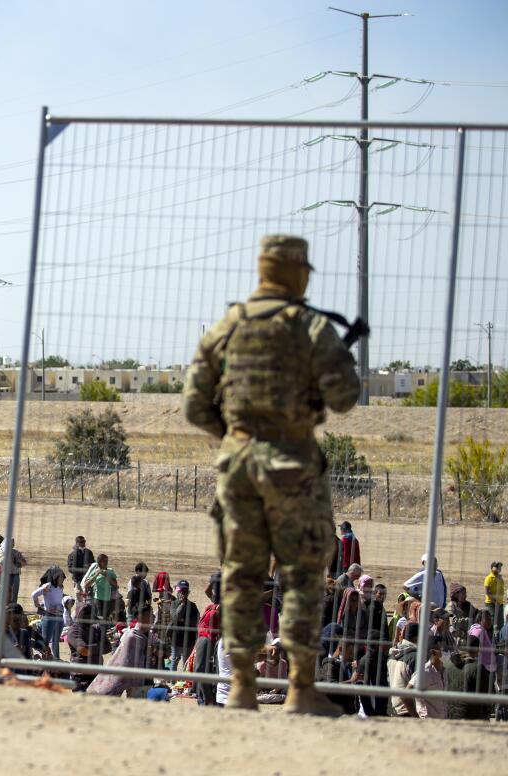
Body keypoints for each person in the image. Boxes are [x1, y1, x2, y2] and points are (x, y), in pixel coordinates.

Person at [182, 234, 360, 715]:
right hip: (292, 466)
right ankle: (301, 689)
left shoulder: (228, 325)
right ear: (297, 273)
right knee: (302, 574)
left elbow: (194, 403)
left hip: (238, 468)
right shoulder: (309, 326)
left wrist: (235, 435)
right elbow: (345, 395)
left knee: (241, 574)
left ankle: (240, 685)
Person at [86, 605, 154, 697]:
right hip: (132, 676)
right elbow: (121, 660)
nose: (152, 616)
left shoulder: (150, 635)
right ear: (139, 617)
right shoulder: (131, 636)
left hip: (147, 676)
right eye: (149, 614)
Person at [31, 566, 67, 659]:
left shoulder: (60, 587)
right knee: (45, 642)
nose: (62, 579)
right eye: (60, 577)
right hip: (49, 617)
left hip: (59, 617)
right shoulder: (48, 586)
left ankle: (57, 660)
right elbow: (34, 594)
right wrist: (37, 605)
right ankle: (44, 661)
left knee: (56, 641)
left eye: (63, 577)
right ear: (55, 577)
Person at [405, 640, 447, 719]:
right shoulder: (424, 672)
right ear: (433, 653)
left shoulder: (444, 671)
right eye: (442, 650)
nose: (446, 653)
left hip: (441, 721)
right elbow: (405, 694)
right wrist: (415, 716)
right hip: (427, 721)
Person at [167, 579, 200, 670]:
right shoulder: (174, 604)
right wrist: (182, 605)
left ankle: (184, 682)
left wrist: (182, 620)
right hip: (176, 639)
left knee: (186, 663)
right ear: (177, 592)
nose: (183, 594)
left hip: (189, 640)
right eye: (181, 591)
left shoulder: (192, 606)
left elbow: (196, 621)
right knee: (174, 660)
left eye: (185, 591)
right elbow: (175, 618)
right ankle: (172, 680)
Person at [484, 560, 504, 635]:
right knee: (493, 624)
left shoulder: (500, 578)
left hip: (500, 604)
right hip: (491, 604)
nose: (499, 568)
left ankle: (499, 641)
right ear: (492, 568)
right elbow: (487, 592)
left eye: (500, 567)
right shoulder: (489, 578)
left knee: (500, 624)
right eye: (497, 567)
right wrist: (495, 602)